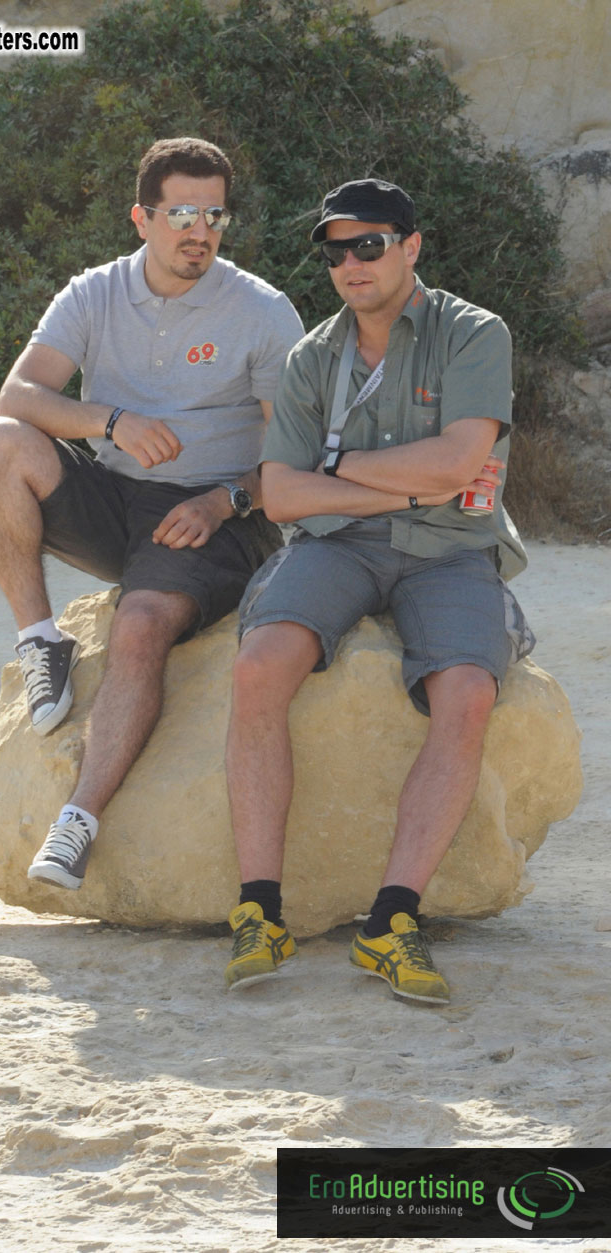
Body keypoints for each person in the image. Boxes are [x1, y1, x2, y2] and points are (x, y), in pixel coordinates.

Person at [0, 137, 304, 893]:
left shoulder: (263, 310)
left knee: (141, 621)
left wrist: (223, 500)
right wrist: (110, 420)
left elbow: (295, 458)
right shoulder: (95, 291)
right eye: (181, 212)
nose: (200, 231)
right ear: (141, 217)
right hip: (115, 495)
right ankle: (39, 639)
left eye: (214, 214)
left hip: (218, 512)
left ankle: (77, 821)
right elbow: (20, 396)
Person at [223, 177, 534, 1003]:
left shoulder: (473, 333)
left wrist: (339, 467)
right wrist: (397, 487)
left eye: (370, 245)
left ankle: (391, 922)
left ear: (411, 246)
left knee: (467, 691)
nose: (353, 264)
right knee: (260, 666)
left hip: (452, 548)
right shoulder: (312, 356)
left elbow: (456, 465)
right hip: (337, 546)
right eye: (336, 250)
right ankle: (259, 910)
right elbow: (281, 496)